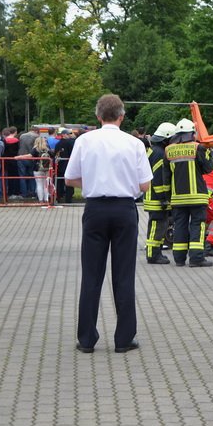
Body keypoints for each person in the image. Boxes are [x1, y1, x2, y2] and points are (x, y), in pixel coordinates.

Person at [64, 94, 152, 353]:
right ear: (122, 116)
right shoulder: (134, 143)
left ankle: (87, 339)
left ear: (98, 116)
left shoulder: (84, 140)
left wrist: (91, 183)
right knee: (123, 275)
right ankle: (124, 339)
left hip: (95, 210)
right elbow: (145, 184)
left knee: (92, 275)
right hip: (124, 209)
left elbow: (70, 179)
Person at [166, 118, 213, 267]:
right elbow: (209, 168)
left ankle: (179, 259)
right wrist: (209, 153)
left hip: (177, 199)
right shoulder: (197, 148)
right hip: (197, 198)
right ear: (191, 134)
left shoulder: (169, 150)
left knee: (179, 226)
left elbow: (166, 177)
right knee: (197, 225)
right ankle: (196, 258)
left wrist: (169, 198)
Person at [143, 122, 176, 264]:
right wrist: (164, 198)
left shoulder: (153, 150)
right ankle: (153, 255)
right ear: (166, 139)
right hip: (156, 198)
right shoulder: (160, 154)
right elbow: (159, 178)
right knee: (157, 226)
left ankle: (156, 253)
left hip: (152, 195)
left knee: (157, 225)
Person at [54, 129, 77, 204]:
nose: (69, 135)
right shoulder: (70, 143)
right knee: (69, 183)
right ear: (63, 135)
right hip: (68, 165)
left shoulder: (58, 144)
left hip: (60, 165)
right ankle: (68, 199)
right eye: (68, 134)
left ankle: (58, 197)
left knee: (59, 182)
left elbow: (55, 154)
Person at [28, 135, 53, 204]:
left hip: (37, 168)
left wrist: (19, 157)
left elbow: (30, 156)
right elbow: (53, 156)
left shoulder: (35, 149)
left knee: (39, 184)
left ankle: (41, 200)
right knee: (46, 184)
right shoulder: (47, 149)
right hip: (47, 169)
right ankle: (46, 199)